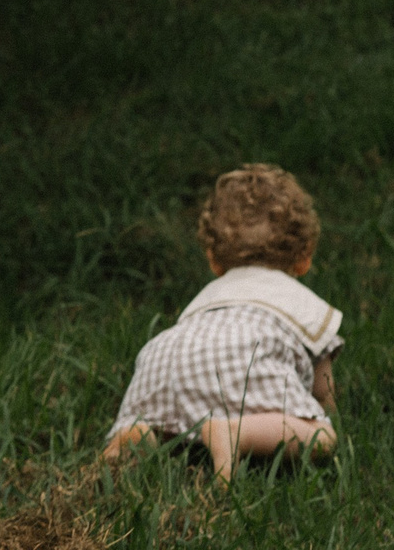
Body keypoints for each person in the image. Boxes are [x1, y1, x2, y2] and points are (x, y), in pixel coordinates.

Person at [102, 164, 342, 481]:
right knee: (322, 437)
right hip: (245, 356)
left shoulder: (207, 299)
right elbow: (322, 392)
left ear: (214, 260)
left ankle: (143, 433)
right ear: (305, 255)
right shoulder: (303, 304)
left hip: (166, 357)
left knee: (171, 419)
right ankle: (236, 433)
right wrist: (325, 416)